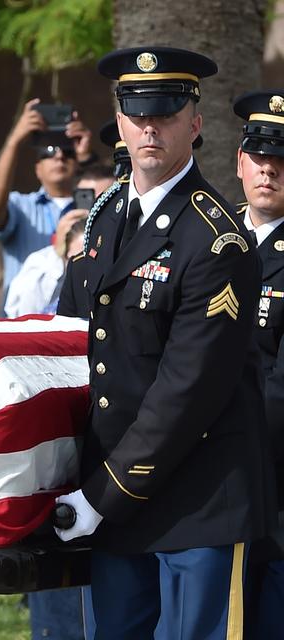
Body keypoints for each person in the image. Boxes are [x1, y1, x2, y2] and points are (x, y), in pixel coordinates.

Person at [54, 46, 276, 640]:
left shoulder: (217, 240)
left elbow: (188, 387)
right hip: (114, 500)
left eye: (167, 112)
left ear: (195, 124)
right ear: (121, 120)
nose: (150, 127)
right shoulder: (103, 219)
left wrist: (105, 494)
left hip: (196, 502)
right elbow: (71, 340)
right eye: (138, 112)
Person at [233, 90, 284, 639]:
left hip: (273, 479)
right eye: (260, 154)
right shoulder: (208, 241)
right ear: (240, 162)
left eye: (283, 158)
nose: (269, 168)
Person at [0, 98, 96, 304]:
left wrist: (87, 158)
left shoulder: (94, 204)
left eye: (68, 152)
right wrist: (14, 141)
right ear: (37, 169)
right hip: (25, 323)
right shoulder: (21, 206)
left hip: (80, 322)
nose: (59, 156)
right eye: (48, 152)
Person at [5, 165, 114, 318]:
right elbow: (21, 314)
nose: (93, 210)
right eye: (87, 198)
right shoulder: (43, 260)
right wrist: (59, 258)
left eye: (102, 201)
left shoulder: (128, 252)